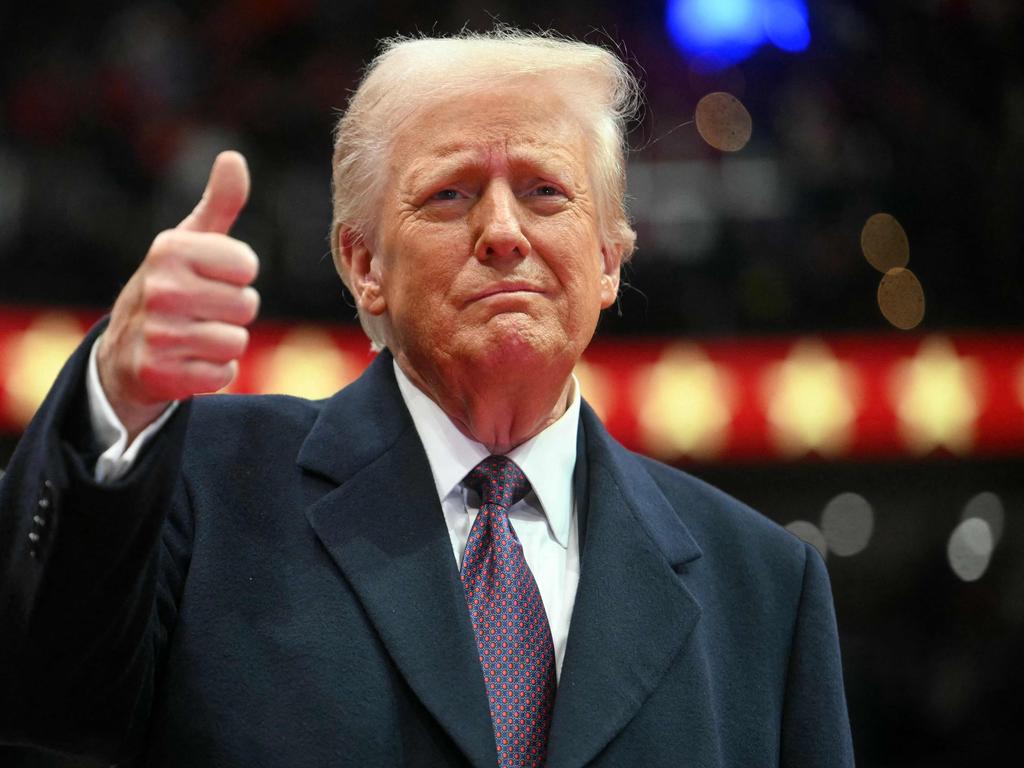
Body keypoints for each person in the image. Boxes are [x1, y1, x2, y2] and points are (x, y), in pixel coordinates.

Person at [0, 30, 854, 767]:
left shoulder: (766, 587)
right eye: (450, 194)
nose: (503, 231)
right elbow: (41, 693)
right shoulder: (203, 487)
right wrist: (113, 393)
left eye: (544, 191)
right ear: (364, 265)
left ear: (608, 260)